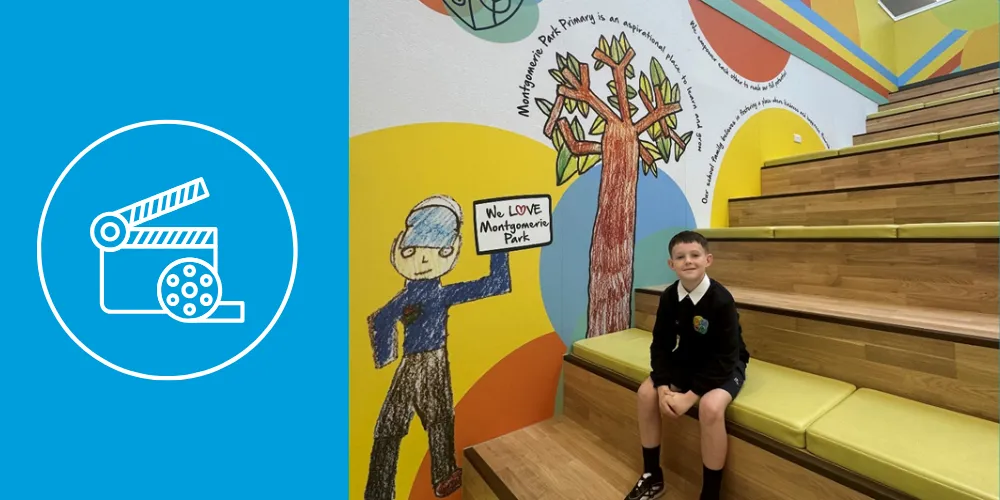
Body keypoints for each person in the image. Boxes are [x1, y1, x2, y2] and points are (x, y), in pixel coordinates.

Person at [365, 195, 512, 500]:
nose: (422, 261)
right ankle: (381, 489)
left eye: (438, 251)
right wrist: (386, 355)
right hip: (414, 362)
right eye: (411, 250)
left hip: (432, 359)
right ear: (399, 248)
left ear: (451, 250)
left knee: (438, 417)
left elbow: (496, 283)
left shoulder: (440, 294)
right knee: (395, 423)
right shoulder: (405, 298)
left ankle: (442, 475)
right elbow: (379, 320)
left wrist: (500, 245)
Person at [625, 230, 750, 500]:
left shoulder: (721, 299)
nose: (688, 261)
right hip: (688, 359)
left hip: (726, 363)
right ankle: (652, 476)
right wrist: (661, 388)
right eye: (680, 257)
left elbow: (727, 356)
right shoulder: (670, 297)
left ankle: (710, 494)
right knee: (645, 393)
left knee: (710, 407)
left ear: (708, 259)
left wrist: (689, 397)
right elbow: (660, 346)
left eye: (695, 255)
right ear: (671, 264)